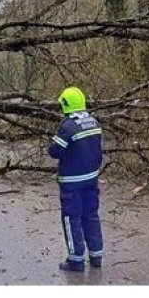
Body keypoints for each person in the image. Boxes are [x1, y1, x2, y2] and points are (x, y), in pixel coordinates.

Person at [47, 86, 104, 272]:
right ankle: (96, 255)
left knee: (71, 219)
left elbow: (54, 151)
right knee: (91, 216)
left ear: (65, 104)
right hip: (92, 179)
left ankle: (76, 260)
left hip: (72, 182)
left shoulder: (68, 126)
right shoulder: (93, 122)